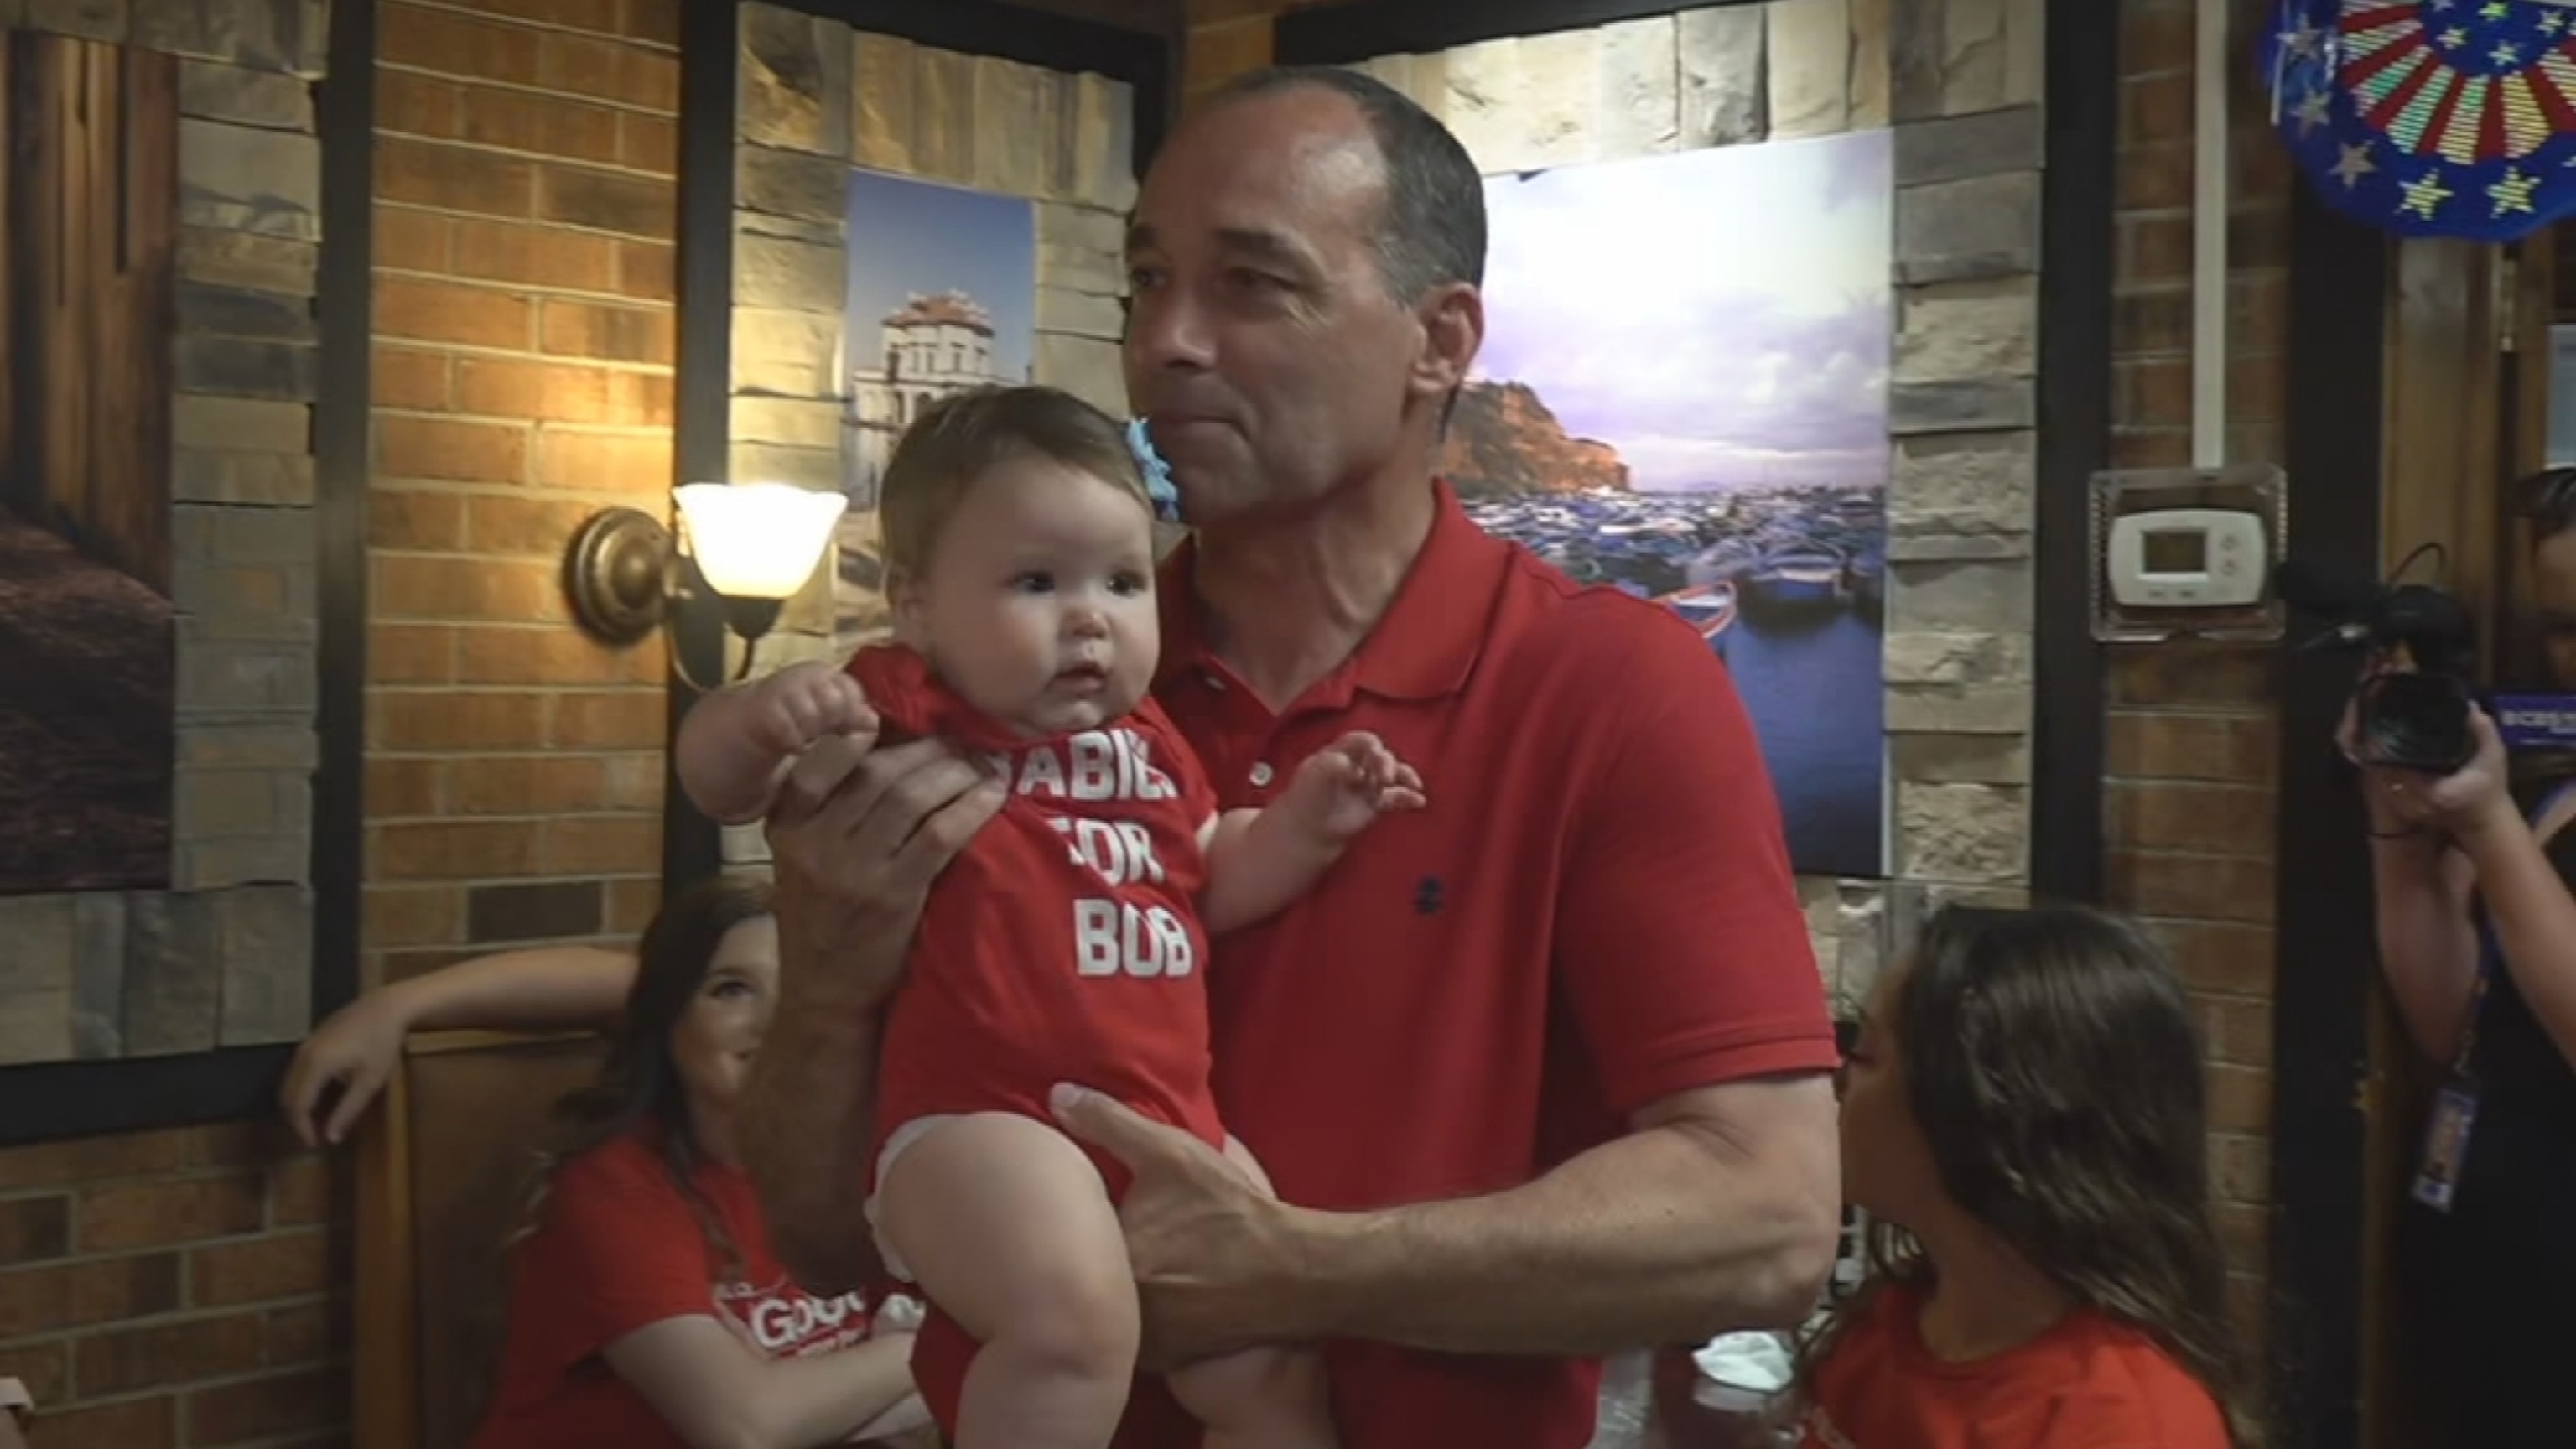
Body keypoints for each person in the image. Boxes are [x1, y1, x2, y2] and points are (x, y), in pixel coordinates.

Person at [737, 63, 1846, 1449]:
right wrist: (830, 988)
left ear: (1438, 341)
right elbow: (823, 1241)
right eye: (1146, 284)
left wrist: (1299, 1265)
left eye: (1251, 285)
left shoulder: (1612, 683)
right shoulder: (999, 696)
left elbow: (1768, 1220)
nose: (1167, 344)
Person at [673, 385, 1422, 1449]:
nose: (1091, 619)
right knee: (1070, 1332)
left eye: (1122, 581)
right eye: (1037, 582)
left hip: (1167, 1119)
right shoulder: (911, 703)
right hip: (989, 1120)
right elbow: (719, 785)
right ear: (919, 605)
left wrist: (1311, 818)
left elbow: (1214, 870)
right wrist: (756, 718)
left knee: (1272, 1363)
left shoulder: (1153, 741)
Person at [278, 880, 928, 1449]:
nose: (774, 1019)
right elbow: (744, 1425)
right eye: (731, 990)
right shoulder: (617, 1189)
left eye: (799, 991)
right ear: (665, 1021)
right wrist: (921, 1352)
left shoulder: (862, 1169)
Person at [1792, 904, 2248, 1449]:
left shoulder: (2121, 1424)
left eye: (1866, 1055)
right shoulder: (1885, 1326)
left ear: (1975, 1111)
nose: (1839, 1081)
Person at [2355, 469, 2576, 1449]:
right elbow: (2451, 1021)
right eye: (2566, 626)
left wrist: (2486, 826)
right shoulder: (2551, 793)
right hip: (2493, 1276)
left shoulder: (2515, 814)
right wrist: (2396, 814)